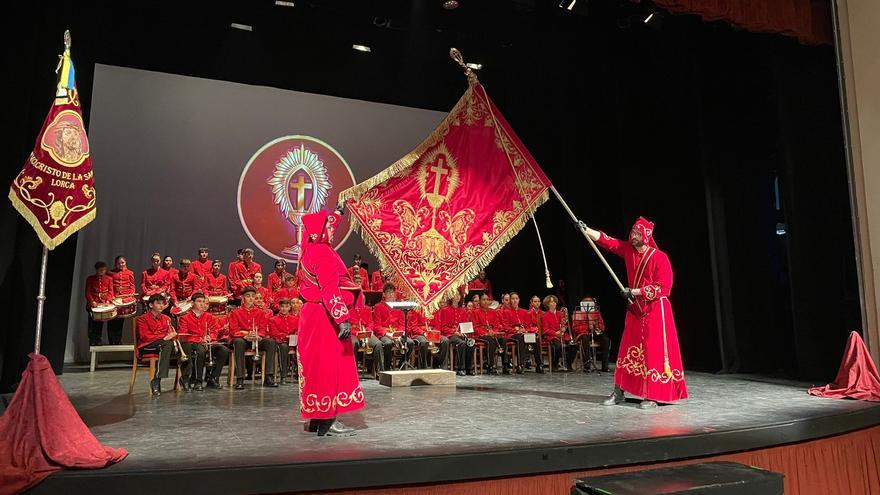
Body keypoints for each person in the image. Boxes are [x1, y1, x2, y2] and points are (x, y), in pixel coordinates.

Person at [581, 217, 688, 408]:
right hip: (635, 310)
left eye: (637, 234)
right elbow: (610, 243)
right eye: (632, 233)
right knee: (625, 349)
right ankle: (619, 391)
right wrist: (587, 229)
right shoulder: (629, 251)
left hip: (656, 310)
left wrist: (635, 291)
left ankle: (653, 395)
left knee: (652, 351)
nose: (633, 236)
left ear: (646, 236)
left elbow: (665, 288)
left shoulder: (659, 257)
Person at [297, 209, 364, 436]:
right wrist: (342, 318)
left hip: (311, 315)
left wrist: (339, 210)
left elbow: (326, 222)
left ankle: (317, 418)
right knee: (329, 367)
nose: (332, 229)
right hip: (325, 317)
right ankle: (329, 420)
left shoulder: (308, 250)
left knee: (316, 367)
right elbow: (329, 288)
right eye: (328, 227)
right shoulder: (323, 254)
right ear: (319, 231)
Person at [177, 293, 229, 390]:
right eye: (199, 301)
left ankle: (213, 378)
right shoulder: (185, 318)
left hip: (207, 343)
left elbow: (214, 331)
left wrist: (210, 337)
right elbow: (183, 335)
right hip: (193, 343)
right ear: (192, 303)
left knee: (224, 350)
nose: (202, 304)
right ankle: (198, 381)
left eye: (203, 302)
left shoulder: (209, 316)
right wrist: (201, 339)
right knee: (200, 351)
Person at [228, 287, 278, 389]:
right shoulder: (235, 312)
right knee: (238, 342)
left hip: (256, 339)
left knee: (271, 342)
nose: (251, 299)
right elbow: (233, 331)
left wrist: (259, 336)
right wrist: (245, 335)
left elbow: (263, 329)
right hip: (242, 339)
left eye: (253, 296)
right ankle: (240, 378)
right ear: (242, 298)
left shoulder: (260, 312)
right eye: (248, 296)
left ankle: (268, 377)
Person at [135, 294, 177, 396]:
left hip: (162, 345)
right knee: (167, 344)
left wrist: (173, 336)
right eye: (158, 303)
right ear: (150, 305)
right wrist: (164, 337)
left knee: (180, 346)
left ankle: (183, 380)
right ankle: (157, 380)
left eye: (163, 304)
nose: (161, 306)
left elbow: (169, 335)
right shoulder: (142, 318)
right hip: (147, 345)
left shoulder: (167, 318)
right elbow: (145, 336)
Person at [372, 283, 416, 369]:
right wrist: (388, 334)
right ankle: (387, 366)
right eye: (388, 292)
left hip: (397, 333)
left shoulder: (399, 307)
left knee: (410, 343)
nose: (391, 294)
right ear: (384, 294)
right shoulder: (378, 307)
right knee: (387, 343)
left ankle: (401, 365)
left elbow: (402, 324)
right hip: (385, 334)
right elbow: (377, 326)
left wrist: (398, 334)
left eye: (392, 292)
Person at [502, 292, 544, 373]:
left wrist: (527, 330)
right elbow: (505, 327)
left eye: (516, 299)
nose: (515, 300)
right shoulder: (506, 312)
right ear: (510, 300)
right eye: (513, 299)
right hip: (511, 334)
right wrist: (516, 330)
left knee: (535, 337)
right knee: (520, 338)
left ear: (519, 300)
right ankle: (520, 365)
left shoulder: (524, 312)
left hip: (524, 333)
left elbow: (528, 325)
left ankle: (539, 365)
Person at [436, 292, 474, 375]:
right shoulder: (445, 310)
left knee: (471, 343)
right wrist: (454, 332)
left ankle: (469, 368)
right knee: (462, 343)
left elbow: (464, 325)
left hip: (460, 334)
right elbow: (443, 327)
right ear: (451, 297)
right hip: (449, 335)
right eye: (455, 295)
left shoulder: (463, 311)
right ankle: (461, 368)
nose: (457, 296)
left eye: (459, 295)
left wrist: (464, 332)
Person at [571, 296, 611, 373]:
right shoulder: (577, 313)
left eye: (590, 301)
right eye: (586, 301)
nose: (588, 303)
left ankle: (605, 366)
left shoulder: (597, 313)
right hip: (583, 333)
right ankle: (587, 365)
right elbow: (575, 328)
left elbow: (602, 327)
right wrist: (587, 326)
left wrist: (595, 325)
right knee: (585, 339)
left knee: (606, 340)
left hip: (595, 332)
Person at [471, 293, 507, 373]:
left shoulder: (493, 312)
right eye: (484, 300)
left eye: (487, 300)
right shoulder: (475, 312)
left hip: (492, 334)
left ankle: (505, 365)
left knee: (503, 340)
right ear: (480, 301)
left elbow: (497, 325)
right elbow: (475, 327)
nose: (486, 301)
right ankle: (490, 365)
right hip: (480, 335)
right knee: (490, 341)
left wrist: (494, 331)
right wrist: (485, 333)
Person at [541, 295, 577, 371]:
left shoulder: (560, 313)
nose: (553, 303)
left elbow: (564, 324)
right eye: (551, 302)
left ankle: (567, 363)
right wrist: (555, 333)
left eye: (554, 301)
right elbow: (545, 330)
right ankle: (555, 364)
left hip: (562, 335)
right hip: (551, 336)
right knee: (557, 346)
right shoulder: (544, 315)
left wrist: (564, 328)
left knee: (573, 345)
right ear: (547, 304)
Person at [269, 298, 300, 384]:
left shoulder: (295, 319)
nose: (284, 309)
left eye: (286, 306)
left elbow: (298, 330)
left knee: (303, 347)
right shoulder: (273, 319)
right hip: (281, 342)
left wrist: (295, 335)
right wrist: (286, 336)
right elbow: (274, 334)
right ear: (279, 307)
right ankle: (283, 376)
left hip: (294, 342)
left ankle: (300, 374)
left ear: (290, 307)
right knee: (283, 347)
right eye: (282, 307)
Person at [107, 255, 136, 345]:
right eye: (119, 263)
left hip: (124, 299)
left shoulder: (130, 273)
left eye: (122, 262)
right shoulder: (110, 273)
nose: (121, 264)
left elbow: (132, 286)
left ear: (125, 263)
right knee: (111, 319)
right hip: (114, 299)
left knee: (120, 320)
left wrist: (131, 295)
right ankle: (111, 340)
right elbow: (109, 286)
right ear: (116, 264)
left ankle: (118, 340)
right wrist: (111, 297)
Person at [85, 261, 115, 346]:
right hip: (94, 304)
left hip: (104, 303)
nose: (102, 271)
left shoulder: (109, 279)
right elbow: (88, 293)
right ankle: (93, 340)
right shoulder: (90, 279)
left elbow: (110, 291)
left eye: (104, 270)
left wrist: (108, 300)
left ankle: (98, 340)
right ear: (96, 270)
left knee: (101, 322)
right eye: (100, 270)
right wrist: (92, 302)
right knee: (93, 324)